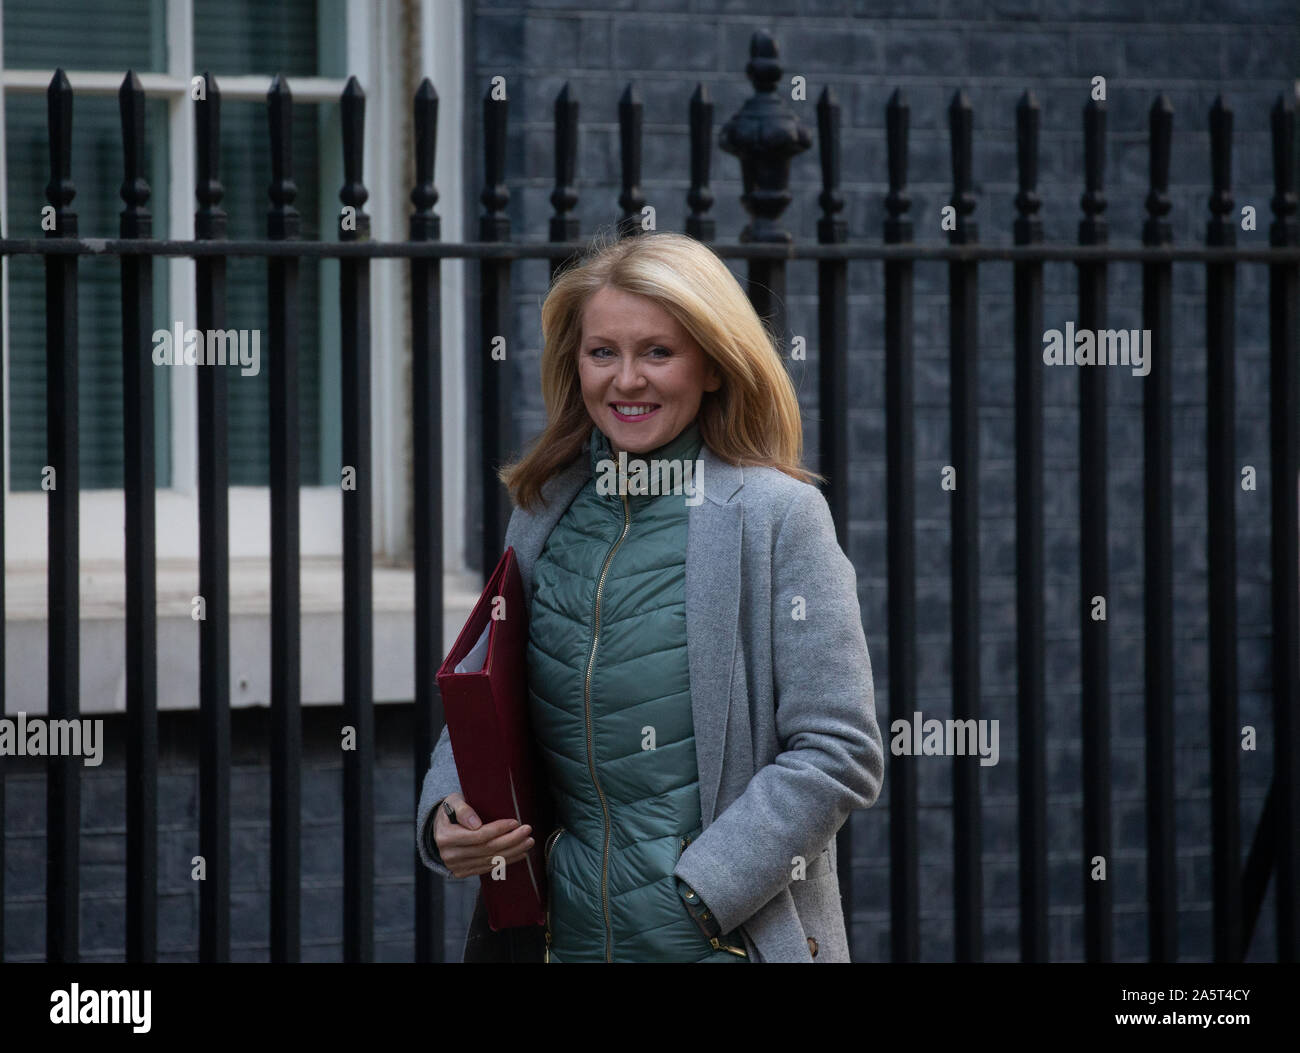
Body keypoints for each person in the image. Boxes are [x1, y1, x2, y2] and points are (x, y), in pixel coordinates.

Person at [416, 228, 883, 962]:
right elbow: (488, 692)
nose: (626, 379)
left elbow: (839, 750)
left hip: (721, 944)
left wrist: (700, 889)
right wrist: (447, 808)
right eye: (603, 351)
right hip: (556, 942)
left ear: (714, 366)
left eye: (657, 352)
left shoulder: (776, 515)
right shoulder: (547, 510)